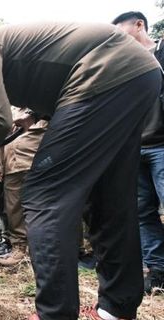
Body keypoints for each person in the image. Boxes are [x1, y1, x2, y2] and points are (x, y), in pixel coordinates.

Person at [0, 23, 161, 320]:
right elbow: (50, 83)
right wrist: (34, 115)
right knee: (109, 196)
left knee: (44, 194)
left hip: (103, 74)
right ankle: (116, 308)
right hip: (138, 74)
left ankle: (54, 313)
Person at [113, 11, 164, 294]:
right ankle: (157, 271)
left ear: (139, 25)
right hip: (136, 147)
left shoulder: (162, 51)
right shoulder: (123, 65)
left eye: (121, 33)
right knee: (143, 212)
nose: (117, 40)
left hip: (162, 145)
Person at [0, 107, 47, 266]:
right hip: (11, 168)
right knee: (13, 209)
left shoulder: (37, 106)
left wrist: (26, 120)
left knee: (41, 207)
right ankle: (19, 248)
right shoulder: (8, 109)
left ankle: (42, 248)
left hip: (35, 165)